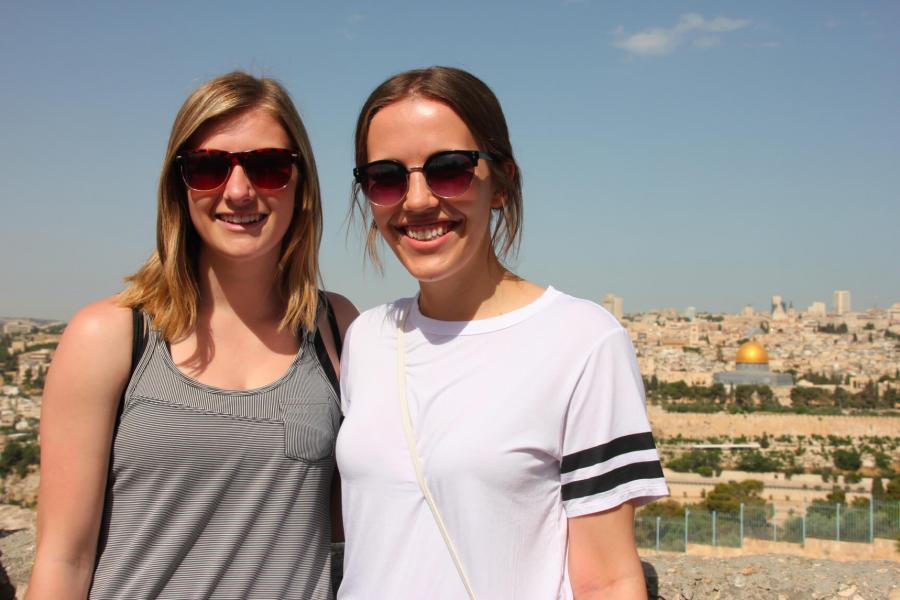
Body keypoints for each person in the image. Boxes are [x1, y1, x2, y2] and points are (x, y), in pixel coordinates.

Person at [337, 66, 669, 599]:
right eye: (387, 177)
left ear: (501, 182)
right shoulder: (368, 338)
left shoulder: (581, 341)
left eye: (450, 170)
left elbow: (607, 580)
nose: (418, 200)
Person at [27, 71, 357, 599]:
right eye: (208, 168)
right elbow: (63, 559)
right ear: (178, 188)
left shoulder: (336, 328)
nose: (240, 190)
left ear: (302, 184)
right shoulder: (112, 335)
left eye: (269, 166)